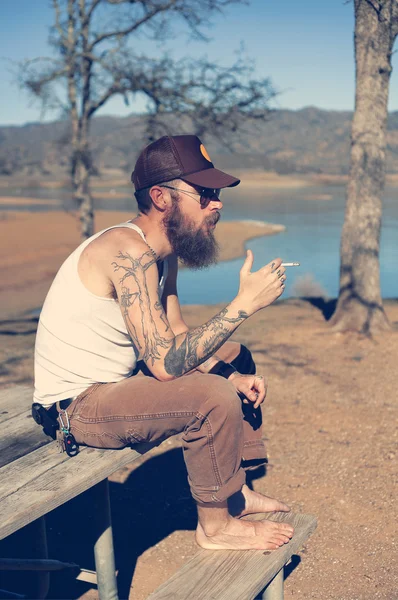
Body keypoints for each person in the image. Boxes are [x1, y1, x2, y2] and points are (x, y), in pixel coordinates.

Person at [33, 134, 293, 550]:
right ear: (161, 197)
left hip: (116, 384)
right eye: (205, 193)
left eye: (217, 193)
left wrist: (231, 372)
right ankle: (216, 528)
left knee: (232, 358)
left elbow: (174, 332)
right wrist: (242, 306)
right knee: (211, 395)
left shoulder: (162, 253)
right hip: (76, 406)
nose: (217, 203)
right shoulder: (125, 251)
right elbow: (162, 364)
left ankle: (234, 492)